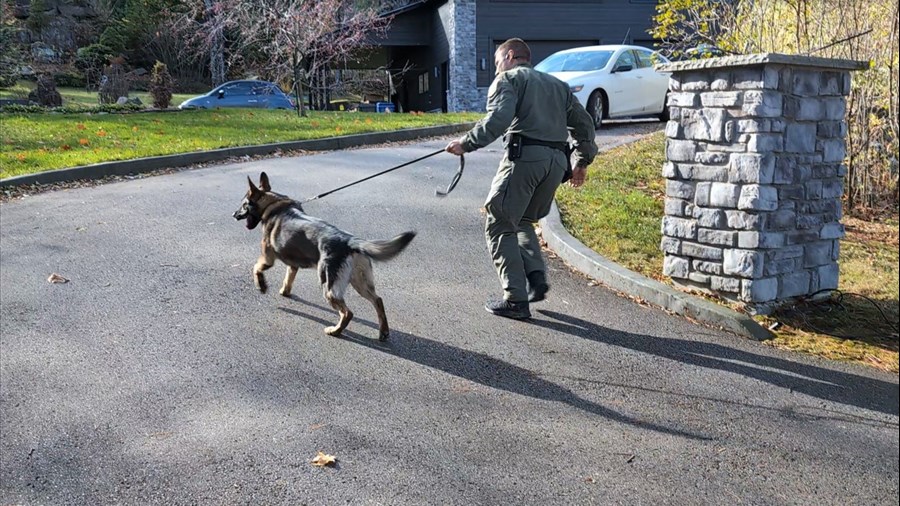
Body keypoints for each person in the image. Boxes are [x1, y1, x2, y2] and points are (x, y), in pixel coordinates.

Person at [445, 38, 597, 320]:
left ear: (510, 56)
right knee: (524, 220)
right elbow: (585, 123)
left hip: (525, 159)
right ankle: (536, 277)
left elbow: (497, 121)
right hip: (555, 164)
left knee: (499, 222)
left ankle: (515, 300)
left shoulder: (508, 80)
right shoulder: (557, 85)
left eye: (497, 63)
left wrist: (465, 144)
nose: (495, 70)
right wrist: (581, 161)